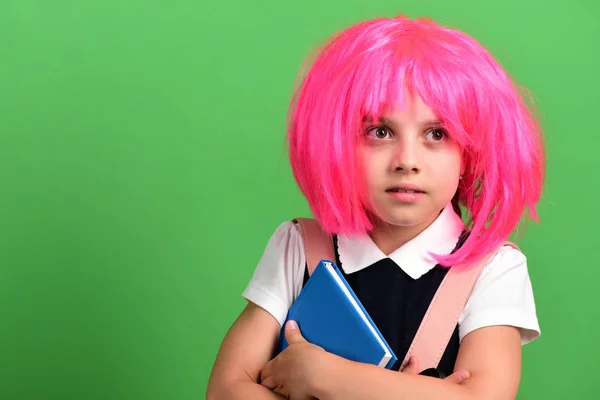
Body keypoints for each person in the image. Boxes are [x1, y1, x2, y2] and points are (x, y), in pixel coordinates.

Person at [207, 13, 545, 400]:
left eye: (436, 134)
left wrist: (323, 375)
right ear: (337, 143)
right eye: (380, 132)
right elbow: (225, 390)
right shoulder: (297, 247)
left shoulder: (492, 268)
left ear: (469, 153)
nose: (407, 160)